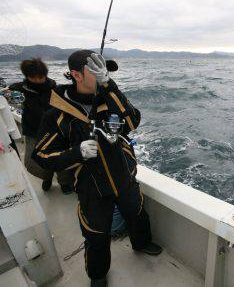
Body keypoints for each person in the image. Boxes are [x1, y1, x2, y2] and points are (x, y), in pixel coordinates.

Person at [32, 50, 162, 287]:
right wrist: (76, 153)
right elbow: (41, 155)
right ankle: (98, 274)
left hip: (124, 177)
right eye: (97, 70)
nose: (104, 74)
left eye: (106, 70)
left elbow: (132, 122)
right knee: (96, 233)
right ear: (76, 75)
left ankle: (141, 243)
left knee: (137, 212)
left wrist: (107, 84)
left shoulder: (110, 96)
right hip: (91, 187)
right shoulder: (58, 114)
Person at [8, 58, 73, 194]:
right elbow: (7, 96)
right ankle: (47, 178)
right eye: (34, 78)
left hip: (55, 131)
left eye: (41, 77)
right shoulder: (19, 89)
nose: (38, 80)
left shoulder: (54, 88)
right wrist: (8, 94)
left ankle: (64, 183)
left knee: (61, 157)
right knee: (37, 160)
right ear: (27, 76)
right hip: (33, 131)